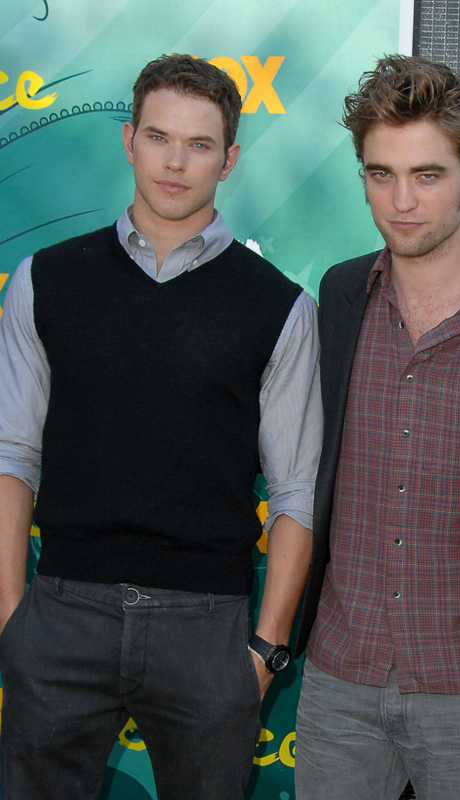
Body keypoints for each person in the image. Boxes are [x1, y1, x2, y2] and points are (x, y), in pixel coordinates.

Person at [0, 53, 322, 800]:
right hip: (62, 612)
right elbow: (12, 455)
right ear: (129, 141)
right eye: (158, 137)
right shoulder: (45, 280)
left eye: (200, 144)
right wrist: (14, 619)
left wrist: (266, 648)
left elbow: (296, 489)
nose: (176, 163)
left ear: (229, 160)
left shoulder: (280, 307)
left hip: (207, 630)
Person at [294, 54, 460, 800]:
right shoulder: (342, 293)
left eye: (427, 175)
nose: (401, 201)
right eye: (380, 174)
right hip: (339, 683)